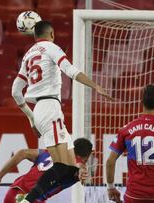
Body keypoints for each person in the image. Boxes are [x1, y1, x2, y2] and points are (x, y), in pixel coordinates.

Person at [11, 20, 113, 203]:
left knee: (68, 167)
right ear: (51, 34)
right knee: (59, 165)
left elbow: (15, 92)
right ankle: (27, 200)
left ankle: (28, 198)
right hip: (50, 108)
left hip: (40, 110)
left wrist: (31, 119)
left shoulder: (27, 56)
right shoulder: (51, 48)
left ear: (35, 36)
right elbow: (70, 70)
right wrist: (95, 85)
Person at [0, 138, 93, 203]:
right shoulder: (77, 164)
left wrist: (0, 175)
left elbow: (22, 153)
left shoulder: (49, 153)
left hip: (13, 192)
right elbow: (78, 166)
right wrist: (82, 170)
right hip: (31, 199)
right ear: (87, 156)